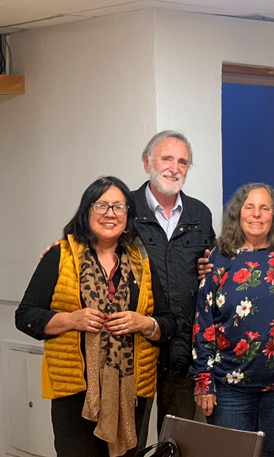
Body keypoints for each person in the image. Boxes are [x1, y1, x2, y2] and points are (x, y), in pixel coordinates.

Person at [16, 176, 176, 457]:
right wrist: (72, 320)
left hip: (131, 392)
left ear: (129, 215)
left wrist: (144, 323)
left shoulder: (141, 261)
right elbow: (26, 316)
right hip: (75, 393)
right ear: (86, 211)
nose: (110, 214)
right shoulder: (60, 255)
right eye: (101, 205)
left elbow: (168, 323)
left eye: (119, 207)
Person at [192, 183, 274, 457]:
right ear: (238, 213)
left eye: (265, 208)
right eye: (249, 207)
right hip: (228, 391)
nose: (257, 214)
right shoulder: (219, 258)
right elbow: (203, 326)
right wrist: (204, 382)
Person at [134, 130, 215, 444]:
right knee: (130, 441)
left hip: (184, 346)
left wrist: (209, 269)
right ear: (147, 163)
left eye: (183, 161)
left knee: (178, 442)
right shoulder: (124, 208)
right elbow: (88, 247)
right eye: (167, 158)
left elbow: (210, 268)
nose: (175, 167)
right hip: (136, 345)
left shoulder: (200, 214)